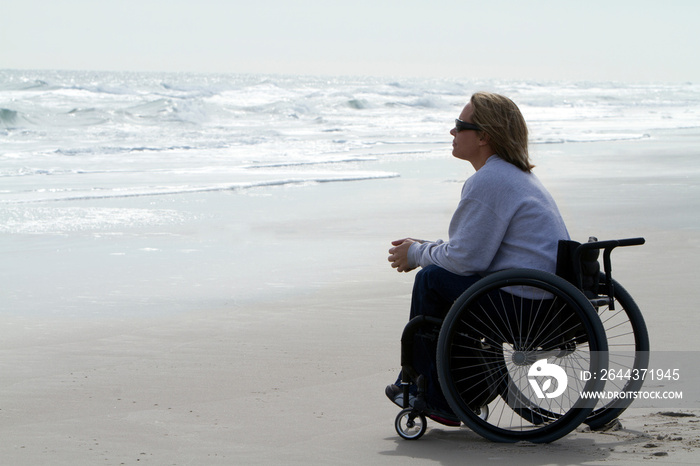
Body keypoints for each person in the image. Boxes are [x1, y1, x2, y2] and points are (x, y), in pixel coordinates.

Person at [385, 91, 570, 425]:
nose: (452, 133)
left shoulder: (489, 180)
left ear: (484, 136)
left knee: (431, 280)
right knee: (442, 276)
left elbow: (465, 261)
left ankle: (434, 394)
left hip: (524, 307)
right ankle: (454, 388)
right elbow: (473, 251)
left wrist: (416, 254)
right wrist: (426, 247)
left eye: (459, 126)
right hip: (544, 301)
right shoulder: (515, 177)